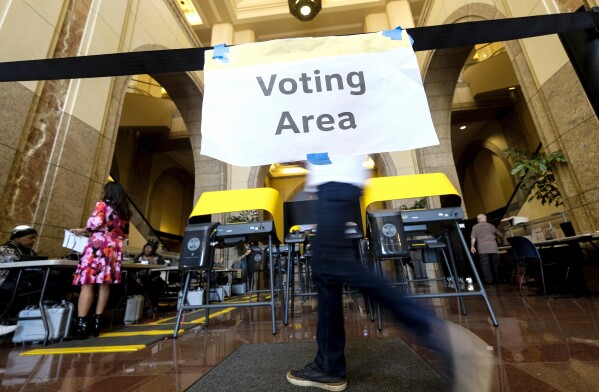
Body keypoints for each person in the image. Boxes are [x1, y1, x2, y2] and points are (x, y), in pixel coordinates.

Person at [286, 155, 492, 392]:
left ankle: (443, 336)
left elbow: (329, 141)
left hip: (336, 182)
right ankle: (328, 366)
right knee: (326, 274)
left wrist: (300, 150)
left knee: (338, 268)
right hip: (336, 183)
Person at [71, 182, 131, 338]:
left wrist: (85, 229)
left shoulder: (102, 205)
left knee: (88, 283)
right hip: (114, 248)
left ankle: (82, 325)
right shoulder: (125, 212)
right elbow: (124, 234)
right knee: (105, 284)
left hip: (98, 246)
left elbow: (95, 223)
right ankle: (98, 322)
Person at [129, 241, 166, 311]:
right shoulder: (139, 257)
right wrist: (136, 278)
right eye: (146, 247)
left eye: (150, 248)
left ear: (153, 249)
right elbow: (132, 269)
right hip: (141, 279)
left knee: (162, 284)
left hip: (153, 279)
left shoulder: (157, 257)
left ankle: (153, 305)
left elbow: (164, 265)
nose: (147, 249)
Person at [470, 214, 504, 284]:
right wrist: (502, 237)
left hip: (482, 248)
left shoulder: (475, 227)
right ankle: (498, 279)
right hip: (493, 247)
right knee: (496, 264)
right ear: (485, 219)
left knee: (485, 265)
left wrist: (472, 246)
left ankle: (489, 281)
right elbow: (500, 234)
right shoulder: (491, 226)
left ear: (478, 220)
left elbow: (473, 238)